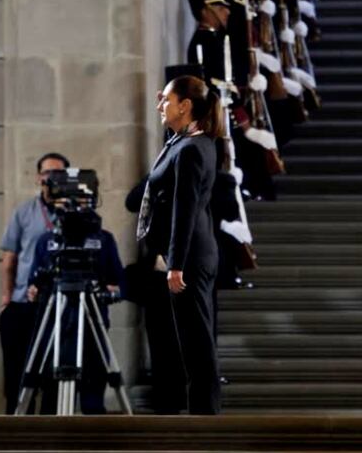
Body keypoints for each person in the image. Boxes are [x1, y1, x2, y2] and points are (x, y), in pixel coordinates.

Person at [136, 75, 222, 414]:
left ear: (185, 106)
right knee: (191, 339)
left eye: (166, 101)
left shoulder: (189, 151)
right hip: (192, 253)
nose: (159, 105)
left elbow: (184, 212)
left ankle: (207, 420)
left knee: (197, 342)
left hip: (189, 256)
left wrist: (175, 264)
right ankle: (203, 415)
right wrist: (168, 104)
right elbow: (167, 151)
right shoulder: (187, 142)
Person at [24, 218, 124, 414]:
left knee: (93, 397)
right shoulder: (46, 241)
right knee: (50, 399)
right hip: (55, 326)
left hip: (92, 325)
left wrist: (115, 290)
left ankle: (94, 441)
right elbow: (34, 280)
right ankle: (52, 442)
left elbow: (120, 281)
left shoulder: (104, 240)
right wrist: (34, 290)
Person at [0, 152, 69, 414]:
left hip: (61, 305)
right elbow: (9, 259)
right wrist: (6, 299)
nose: (52, 178)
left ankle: (50, 437)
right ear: (39, 177)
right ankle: (17, 436)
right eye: (48, 172)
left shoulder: (74, 212)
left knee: (53, 377)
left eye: (58, 173)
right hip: (24, 303)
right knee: (17, 375)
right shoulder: (24, 212)